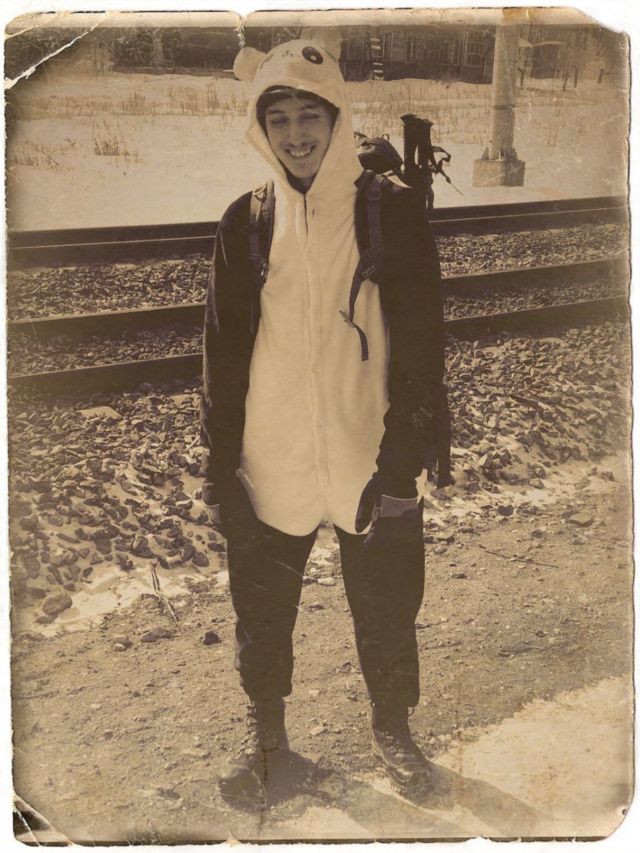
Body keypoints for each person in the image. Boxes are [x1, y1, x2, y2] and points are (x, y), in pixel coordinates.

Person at [200, 32, 445, 807]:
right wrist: (219, 466)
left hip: (368, 452)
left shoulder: (390, 213)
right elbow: (220, 355)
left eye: (311, 114)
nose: (296, 134)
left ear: (338, 116)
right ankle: (268, 740)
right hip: (270, 456)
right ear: (260, 128)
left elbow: (423, 345)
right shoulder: (246, 221)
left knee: (388, 602)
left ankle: (393, 728)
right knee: (261, 607)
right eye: (278, 119)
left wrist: (402, 459)